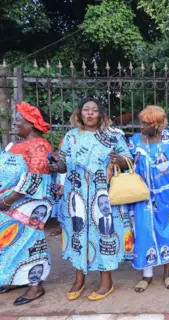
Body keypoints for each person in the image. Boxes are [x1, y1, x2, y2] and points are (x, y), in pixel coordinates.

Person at [51, 97, 132, 301]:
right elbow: (62, 166)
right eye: (86, 110)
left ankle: (106, 280)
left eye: (93, 110)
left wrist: (120, 160)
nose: (89, 113)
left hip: (102, 195)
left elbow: (128, 162)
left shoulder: (113, 136)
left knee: (104, 234)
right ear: (80, 114)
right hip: (76, 195)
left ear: (101, 115)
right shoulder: (71, 136)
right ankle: (79, 279)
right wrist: (55, 163)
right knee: (77, 234)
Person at [129, 105, 169, 292]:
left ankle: (167, 273)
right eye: (141, 122)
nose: (141, 126)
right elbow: (129, 164)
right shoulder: (134, 142)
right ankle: (147, 275)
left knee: (168, 231)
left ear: (156, 125)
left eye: (146, 123)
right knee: (145, 231)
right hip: (143, 196)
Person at [0, 101, 54, 305]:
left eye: (18, 120)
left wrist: (9, 200)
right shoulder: (13, 145)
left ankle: (35, 284)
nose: (14, 123)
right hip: (7, 202)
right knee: (11, 243)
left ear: (31, 124)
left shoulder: (38, 145)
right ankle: (17, 277)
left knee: (30, 242)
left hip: (29, 204)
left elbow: (36, 178)